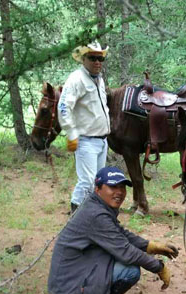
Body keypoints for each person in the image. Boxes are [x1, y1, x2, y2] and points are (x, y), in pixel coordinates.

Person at [48, 166, 178, 294]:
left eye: (122, 187)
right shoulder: (97, 215)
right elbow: (125, 251)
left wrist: (150, 246)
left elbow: (119, 233)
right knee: (130, 271)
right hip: (67, 284)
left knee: (118, 258)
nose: (119, 192)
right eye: (113, 187)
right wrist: (159, 267)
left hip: (71, 272)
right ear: (98, 188)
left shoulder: (97, 205)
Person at [58, 41, 111, 214]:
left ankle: (92, 216)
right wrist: (71, 133)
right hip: (86, 140)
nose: (97, 62)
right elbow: (64, 107)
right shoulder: (76, 79)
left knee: (98, 182)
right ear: (83, 59)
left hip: (102, 140)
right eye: (92, 58)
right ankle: (76, 214)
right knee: (87, 181)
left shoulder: (99, 80)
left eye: (100, 58)